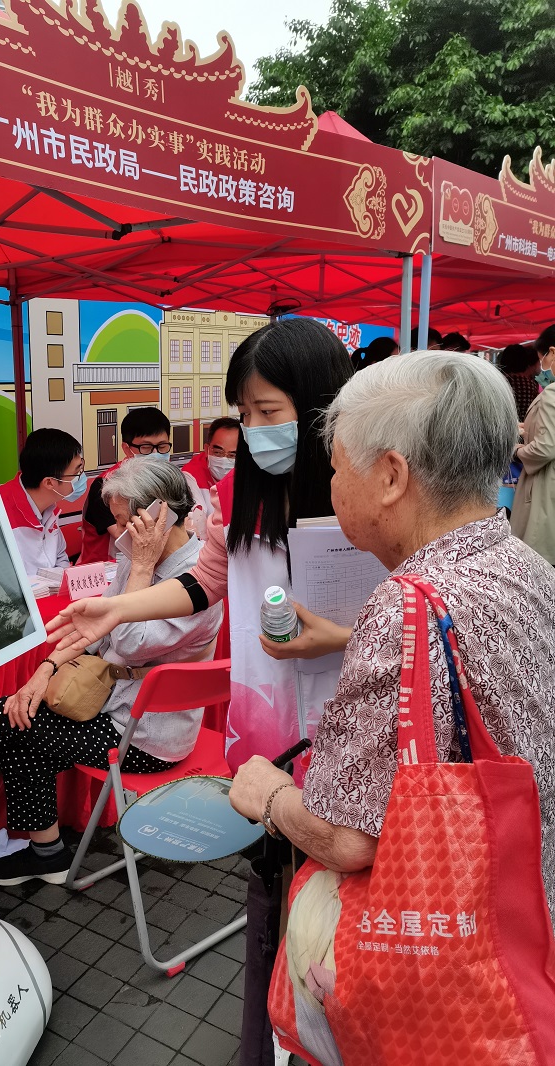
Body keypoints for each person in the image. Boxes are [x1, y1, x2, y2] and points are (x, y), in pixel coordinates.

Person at [47, 318, 354, 1066]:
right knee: (277, 875)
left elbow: (415, 609)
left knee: (338, 896)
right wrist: (119, 607)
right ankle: (279, 1032)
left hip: (350, 727)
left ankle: (329, 1032)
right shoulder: (241, 495)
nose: (253, 432)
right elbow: (204, 581)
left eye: (269, 411)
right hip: (267, 720)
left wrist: (344, 638)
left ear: (321, 406)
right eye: (244, 414)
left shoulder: (361, 496)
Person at [227, 350, 555, 932]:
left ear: (390, 477)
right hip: (524, 905)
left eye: (336, 468)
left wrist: (268, 794)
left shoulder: (407, 606)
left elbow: (348, 839)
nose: (330, 484)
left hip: (445, 936)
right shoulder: (524, 563)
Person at [0, 458, 223, 885]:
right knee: (19, 709)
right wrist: (44, 670)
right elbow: (96, 631)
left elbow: (128, 643)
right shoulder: (135, 555)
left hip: (147, 736)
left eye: (124, 522)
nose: (118, 534)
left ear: (160, 515)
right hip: (113, 706)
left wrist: (141, 567)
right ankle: (21, 839)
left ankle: (15, 835)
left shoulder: (198, 582)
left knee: (15, 722)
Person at [79, 407, 171, 564]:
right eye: (146, 448)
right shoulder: (106, 486)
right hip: (106, 569)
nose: (156, 454)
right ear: (127, 449)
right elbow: (127, 536)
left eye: (162, 446)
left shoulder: (167, 479)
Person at [0, 427, 84, 576]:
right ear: (49, 483)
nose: (81, 478)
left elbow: (60, 558)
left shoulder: (49, 507)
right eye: (76, 473)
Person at [510, 325, 555, 562]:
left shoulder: (551, 395)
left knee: (538, 563)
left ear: (552, 352)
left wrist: (517, 450)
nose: (540, 367)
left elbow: (545, 447)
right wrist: (526, 428)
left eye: (541, 359)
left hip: (544, 491)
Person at [181, 416, 240, 537]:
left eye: (232, 455)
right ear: (207, 449)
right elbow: (197, 521)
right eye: (218, 452)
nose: (224, 459)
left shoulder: (251, 473)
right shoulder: (191, 475)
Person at [497, 341, 541, 422]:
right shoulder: (529, 385)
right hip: (523, 426)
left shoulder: (498, 381)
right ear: (524, 361)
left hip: (501, 425)